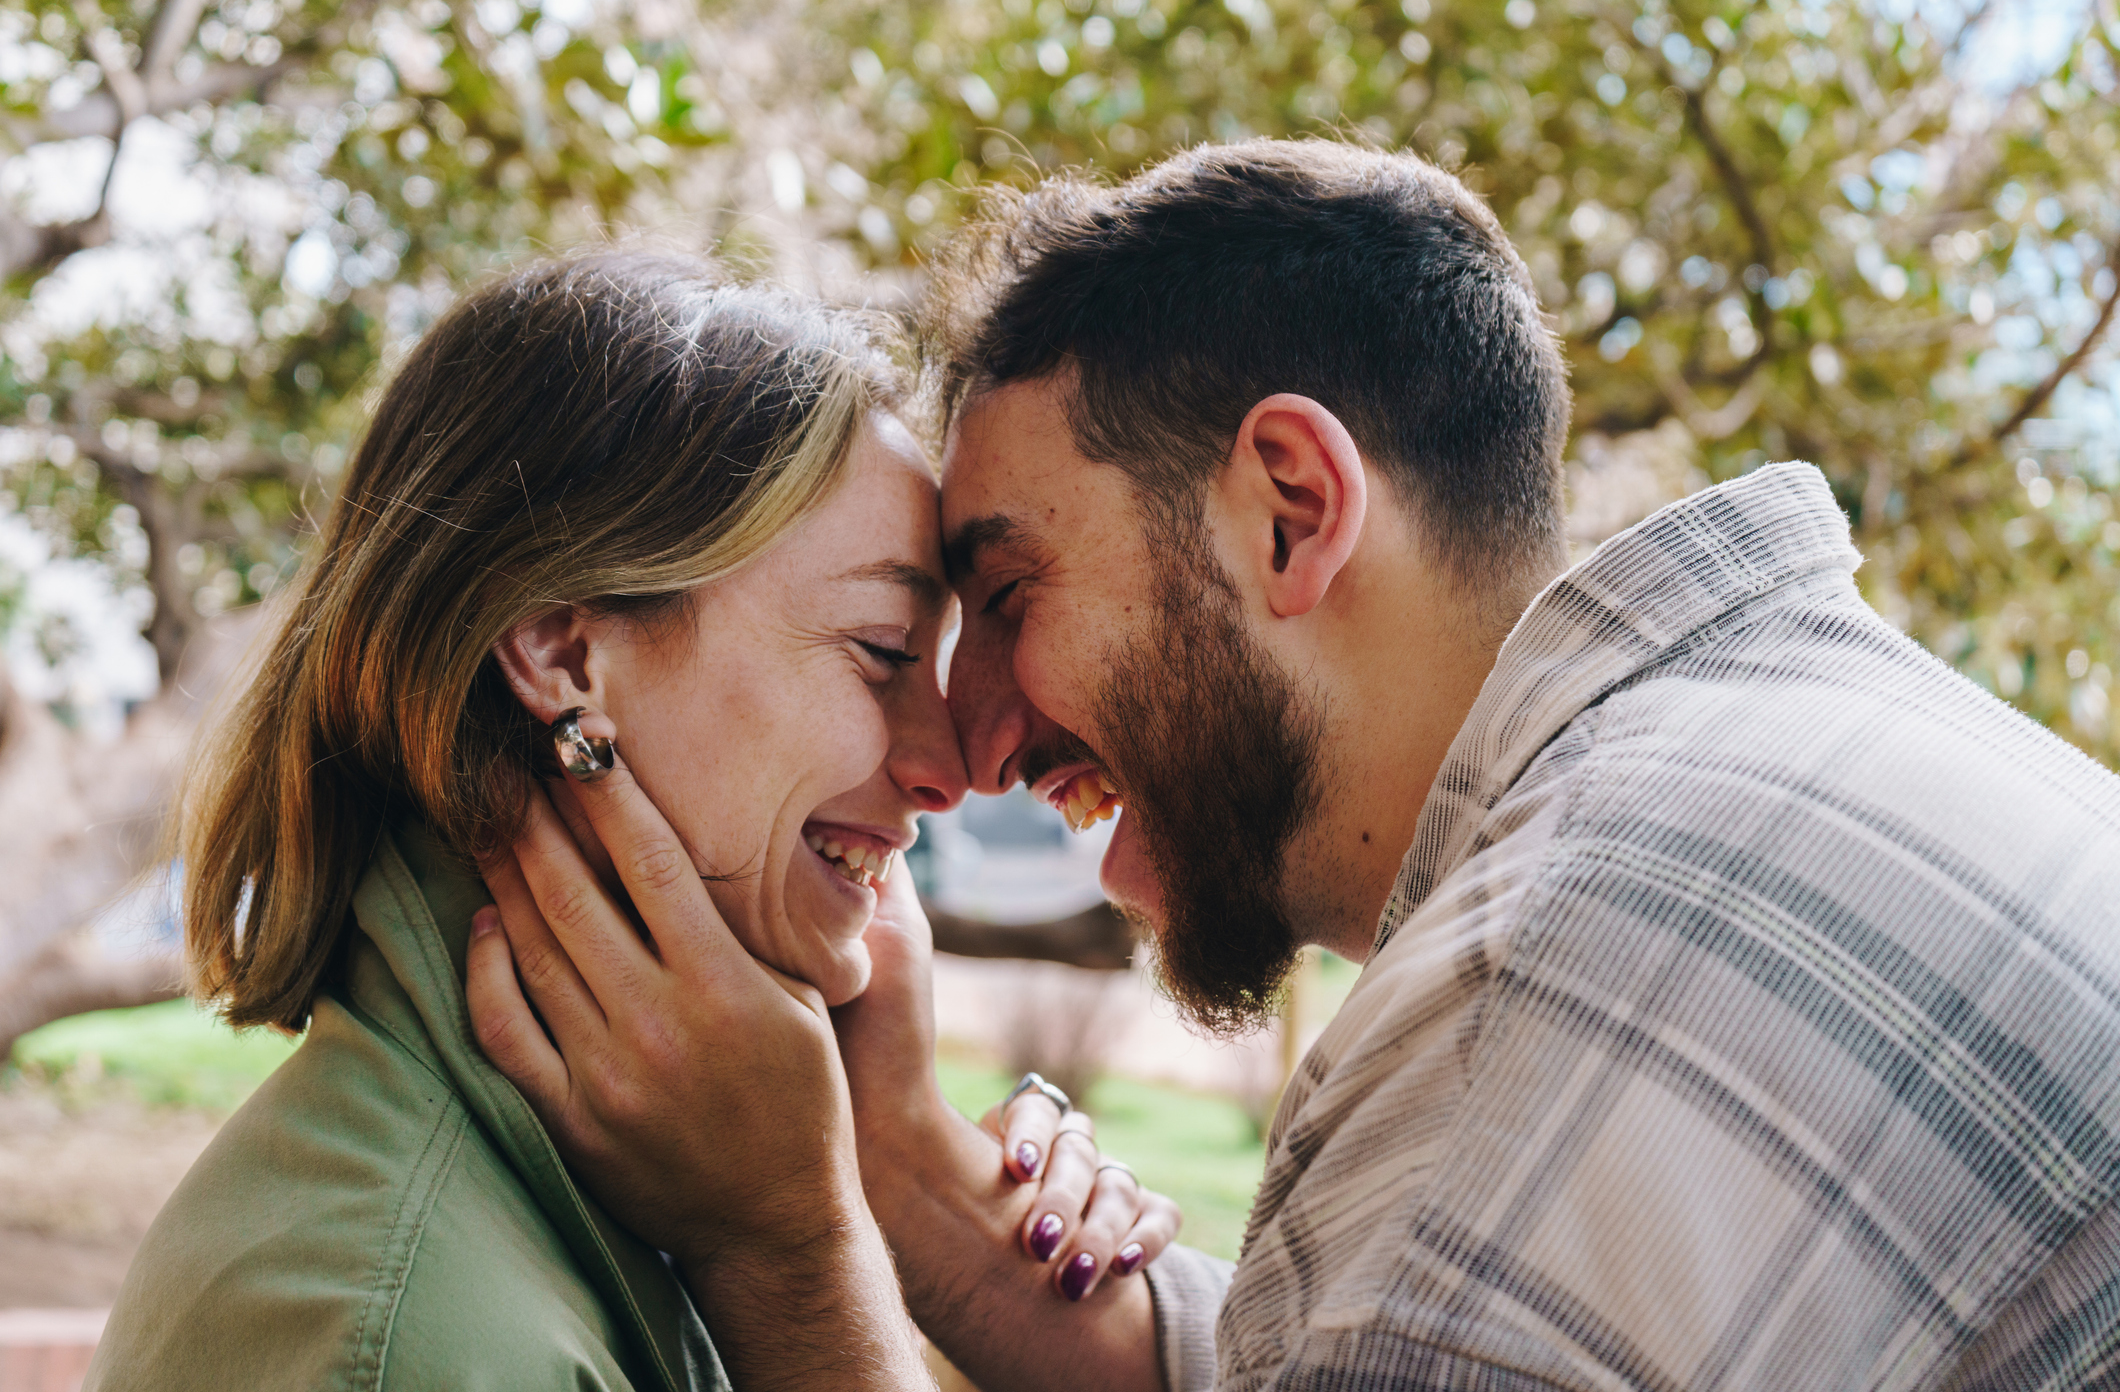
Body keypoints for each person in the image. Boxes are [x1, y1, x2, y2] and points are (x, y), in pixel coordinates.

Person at [467, 141, 2120, 1392]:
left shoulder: (1569, 973)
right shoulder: (1774, 764)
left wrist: (790, 1249)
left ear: (1293, 507)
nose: (971, 746)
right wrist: (919, 1191)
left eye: (1009, 593)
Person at [85, 252, 1175, 1392]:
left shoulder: (635, 1188)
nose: (949, 768)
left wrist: (898, 1172)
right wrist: (796, 1255)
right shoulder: (405, 1340)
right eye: (883, 654)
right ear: (561, 654)